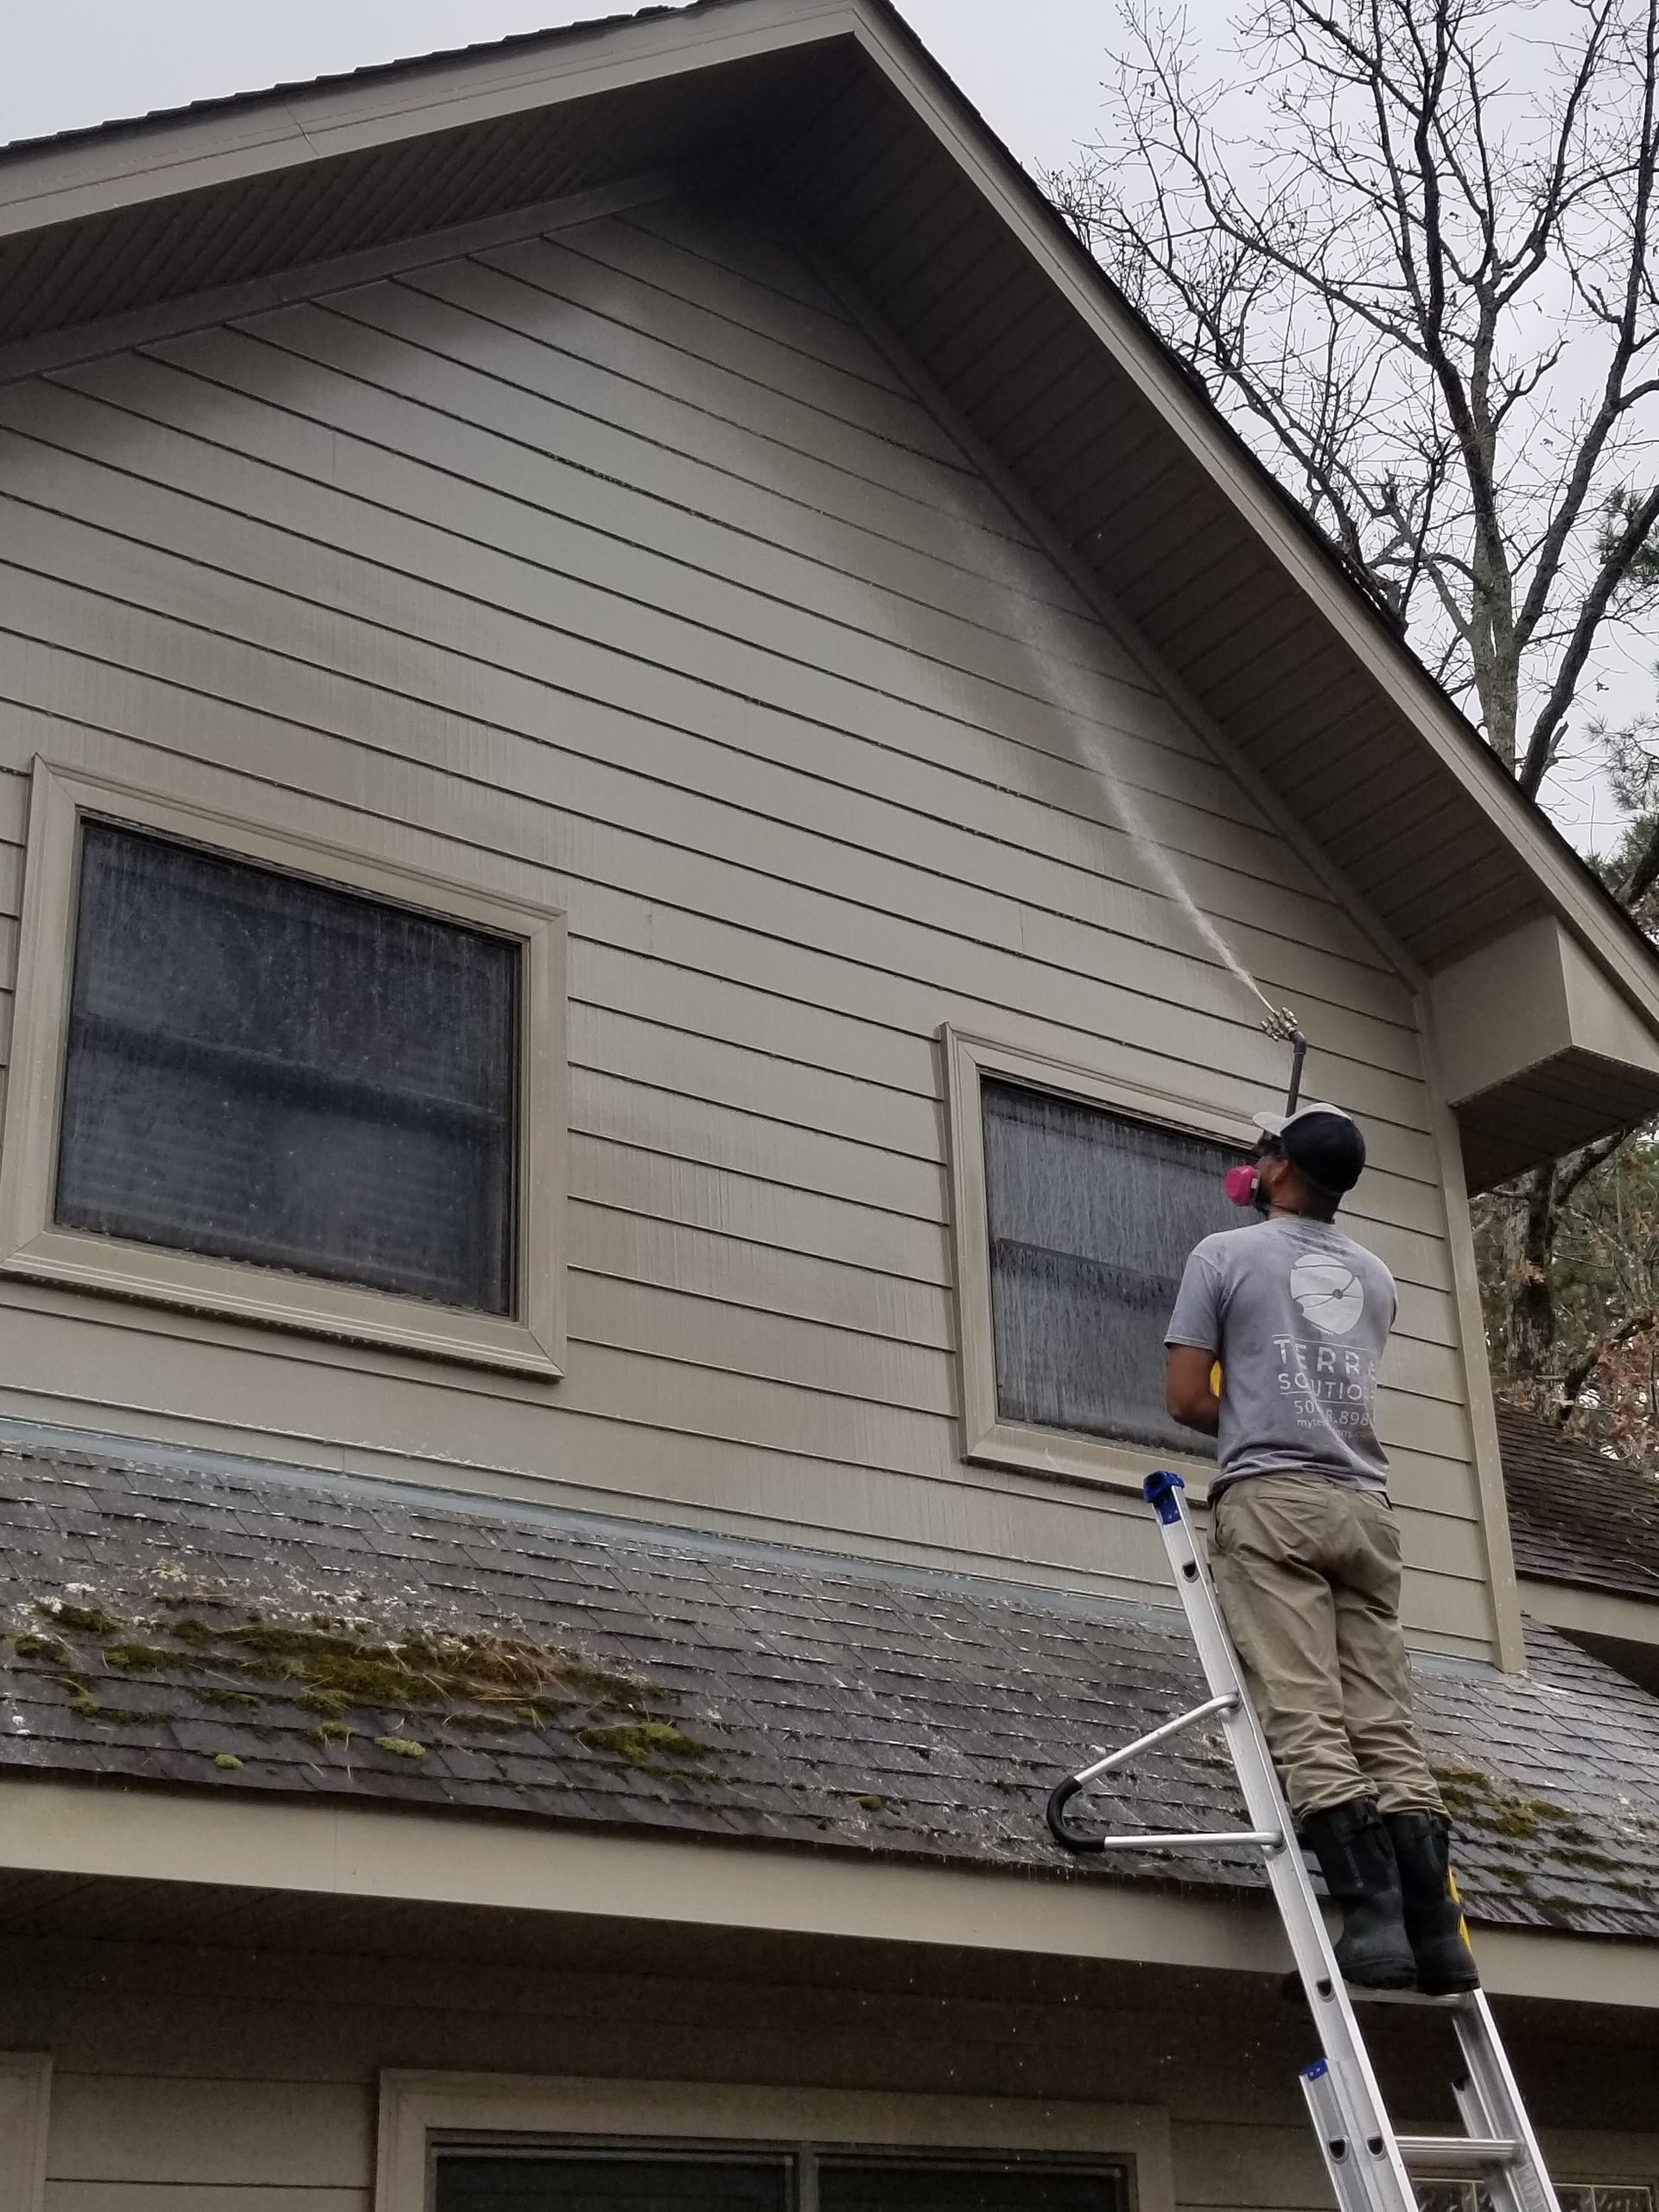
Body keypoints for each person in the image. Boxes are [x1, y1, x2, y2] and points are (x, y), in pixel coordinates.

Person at [1162, 1101, 1478, 1995]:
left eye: (1263, 1153)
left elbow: (1187, 1398)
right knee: (1385, 1723)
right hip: (1366, 1511)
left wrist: (1255, 1404)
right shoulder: (1377, 1275)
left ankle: (1373, 1920)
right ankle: (1441, 1933)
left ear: (1276, 1170)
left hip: (1275, 1503)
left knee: (1304, 1712)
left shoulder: (1222, 1255)